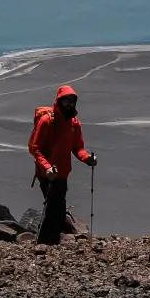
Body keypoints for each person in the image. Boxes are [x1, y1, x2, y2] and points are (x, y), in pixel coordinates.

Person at [27, 85, 97, 246]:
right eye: (66, 100)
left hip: (62, 173)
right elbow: (34, 148)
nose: (69, 103)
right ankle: (44, 243)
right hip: (46, 174)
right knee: (54, 207)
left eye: (72, 100)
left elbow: (77, 148)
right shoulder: (47, 121)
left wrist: (87, 158)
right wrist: (47, 167)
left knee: (57, 208)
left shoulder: (74, 124)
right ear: (59, 100)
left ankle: (50, 242)